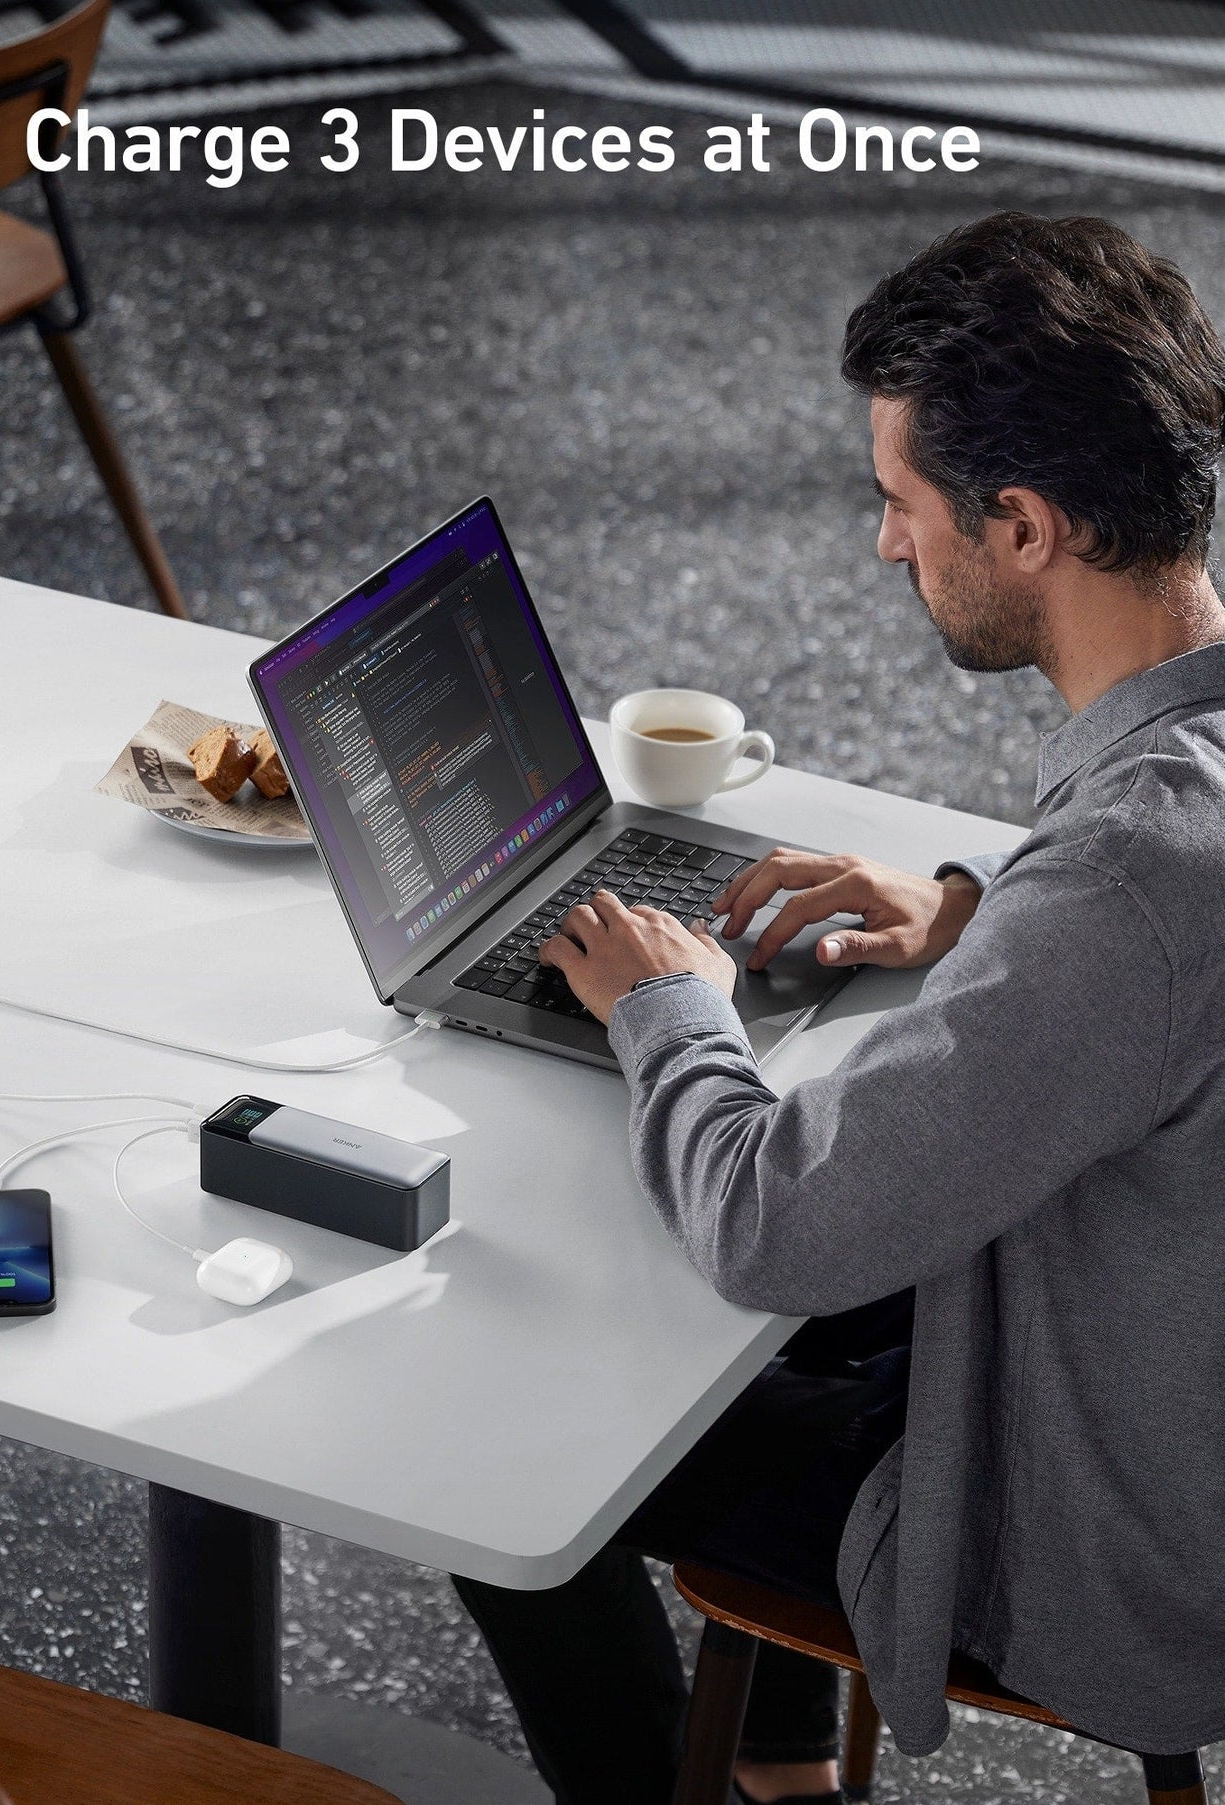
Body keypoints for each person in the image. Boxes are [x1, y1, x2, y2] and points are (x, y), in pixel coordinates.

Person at [452, 211, 1225, 1805]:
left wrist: (670, 1009)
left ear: (1020, 524)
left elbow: (773, 1228)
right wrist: (972, 911)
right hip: (1163, 1362)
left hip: (1097, 1533)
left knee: (500, 1453)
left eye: (900, 503)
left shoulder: (1130, 892)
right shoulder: (1167, 808)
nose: (885, 546)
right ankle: (785, 1763)